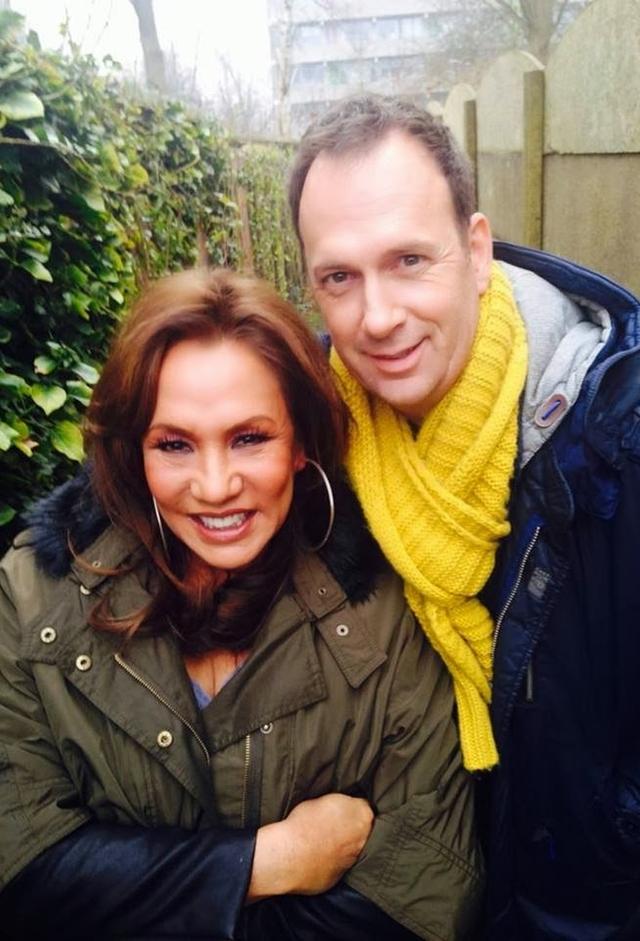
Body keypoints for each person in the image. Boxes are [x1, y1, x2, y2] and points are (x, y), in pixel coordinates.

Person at [0, 267, 483, 940]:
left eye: (249, 437)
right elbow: (22, 870)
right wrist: (264, 862)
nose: (215, 485)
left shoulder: (383, 613)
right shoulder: (33, 597)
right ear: (135, 452)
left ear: (301, 443)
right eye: (174, 444)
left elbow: (423, 895)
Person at [288, 94, 640, 941]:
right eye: (339, 278)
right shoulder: (309, 442)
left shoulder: (615, 443)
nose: (377, 317)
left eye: (409, 259)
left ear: (477, 251)